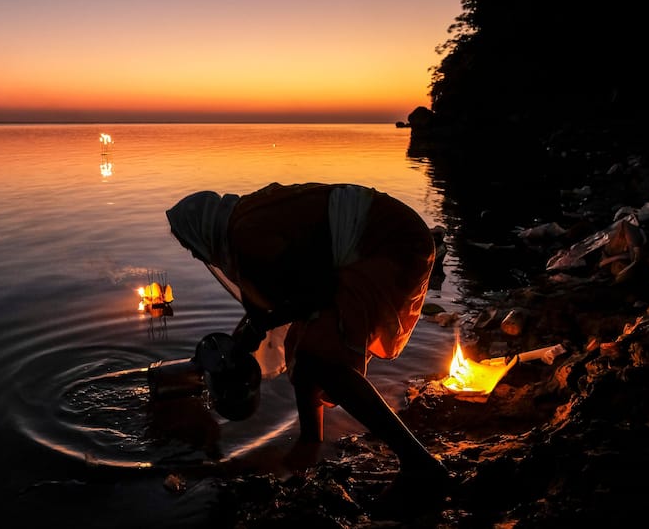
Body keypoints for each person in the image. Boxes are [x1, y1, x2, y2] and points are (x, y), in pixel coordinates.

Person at [166, 182, 449, 511]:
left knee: (322, 359)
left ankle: (420, 464)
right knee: (302, 344)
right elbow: (289, 292)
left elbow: (318, 290)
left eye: (191, 246)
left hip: (389, 243)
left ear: (202, 230)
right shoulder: (242, 223)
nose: (196, 253)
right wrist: (250, 330)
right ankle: (310, 442)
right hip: (382, 238)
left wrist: (259, 326)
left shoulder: (248, 234)